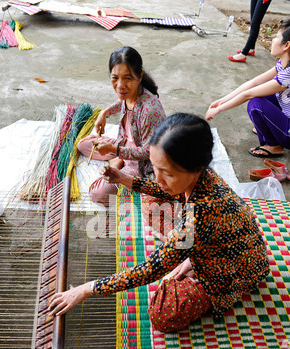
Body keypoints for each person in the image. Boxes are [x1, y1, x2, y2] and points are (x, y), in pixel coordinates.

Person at [48, 113, 269, 333]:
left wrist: (85, 289)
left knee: (162, 314)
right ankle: (188, 255)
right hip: (230, 246)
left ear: (196, 167)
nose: (158, 178)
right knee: (153, 197)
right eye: (155, 167)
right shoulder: (203, 175)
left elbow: (150, 270)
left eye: (167, 172)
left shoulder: (199, 216)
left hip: (234, 271)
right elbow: (165, 191)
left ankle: (194, 264)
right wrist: (122, 178)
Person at [78, 46, 166, 205]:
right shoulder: (130, 94)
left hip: (140, 165)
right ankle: (117, 159)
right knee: (82, 145)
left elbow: (148, 152)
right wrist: (104, 113)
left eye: (127, 78)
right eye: (115, 78)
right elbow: (122, 102)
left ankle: (117, 162)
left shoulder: (149, 110)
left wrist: (114, 150)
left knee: (98, 195)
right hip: (123, 145)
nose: (120, 85)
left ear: (139, 77)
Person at [206, 19, 290, 158]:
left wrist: (219, 109)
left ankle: (273, 146)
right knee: (263, 96)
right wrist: (222, 100)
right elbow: (253, 83)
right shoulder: (283, 63)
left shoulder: (288, 73)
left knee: (255, 104)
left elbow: (248, 94)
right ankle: (271, 129)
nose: (273, 40)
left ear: (286, 45)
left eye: (276, 37)